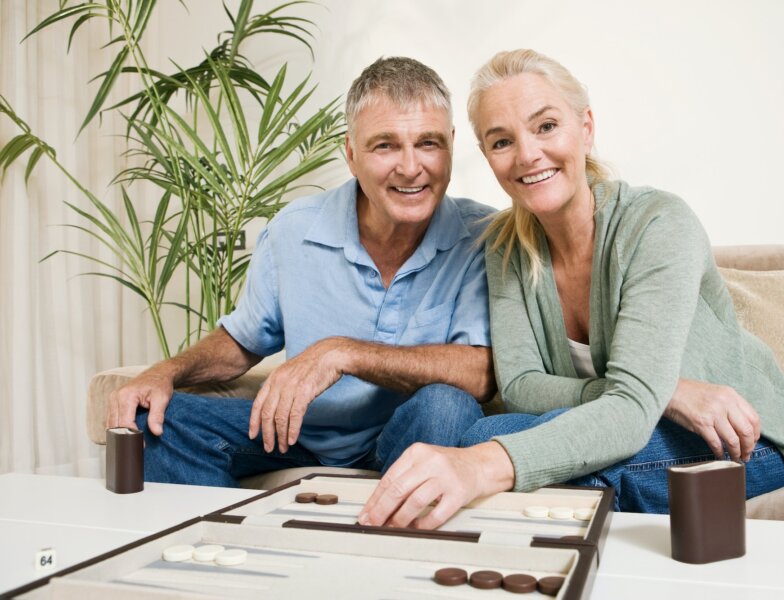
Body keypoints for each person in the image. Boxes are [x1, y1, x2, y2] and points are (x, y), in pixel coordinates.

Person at [359, 49, 784, 529]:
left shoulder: (659, 224)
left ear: (587, 128)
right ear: (488, 158)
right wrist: (667, 392)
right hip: (641, 417)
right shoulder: (505, 248)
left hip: (742, 436)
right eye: (501, 141)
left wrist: (640, 398)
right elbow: (520, 388)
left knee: (494, 455)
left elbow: (630, 415)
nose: (528, 154)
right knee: (476, 434)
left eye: (547, 126)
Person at [105, 57, 497, 487]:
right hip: (299, 432)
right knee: (158, 419)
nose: (409, 167)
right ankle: (229, 548)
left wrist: (341, 352)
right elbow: (242, 341)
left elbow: (478, 374)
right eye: (384, 145)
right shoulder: (293, 228)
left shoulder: (483, 235)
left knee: (446, 405)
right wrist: (167, 371)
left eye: (428, 143)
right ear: (350, 153)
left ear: (451, 145)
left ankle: (393, 544)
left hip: (408, 436)